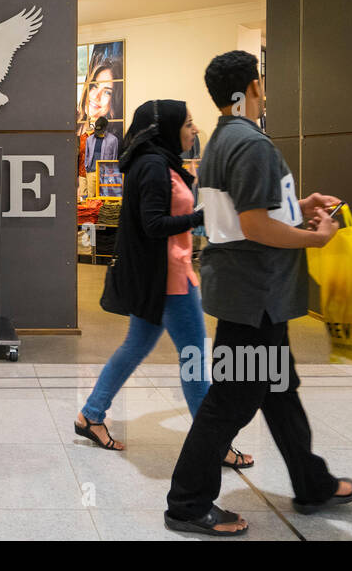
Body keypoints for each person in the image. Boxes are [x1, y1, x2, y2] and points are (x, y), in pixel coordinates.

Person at [165, 51, 352, 536]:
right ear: (253, 87)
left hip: (250, 293)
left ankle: (311, 482)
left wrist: (300, 204)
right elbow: (254, 225)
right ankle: (187, 504)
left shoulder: (224, 138)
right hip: (256, 296)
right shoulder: (251, 144)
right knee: (232, 400)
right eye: (261, 82)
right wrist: (314, 237)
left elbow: (243, 214)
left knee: (278, 389)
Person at [74, 99, 252, 470]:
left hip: (165, 274)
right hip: (171, 278)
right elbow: (153, 225)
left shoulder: (156, 162)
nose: (194, 129)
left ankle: (91, 414)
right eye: (188, 123)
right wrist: (201, 215)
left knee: (135, 347)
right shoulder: (155, 167)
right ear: (166, 129)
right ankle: (213, 443)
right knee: (193, 359)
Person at [78, 53, 122, 137]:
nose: (95, 96)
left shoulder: (112, 138)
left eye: (107, 92)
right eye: (95, 86)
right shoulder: (71, 120)